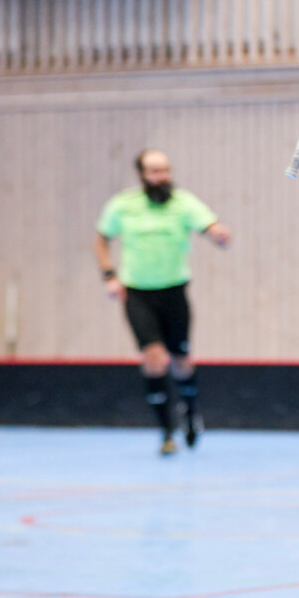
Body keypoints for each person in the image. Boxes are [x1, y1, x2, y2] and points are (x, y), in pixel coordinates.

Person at [95, 150, 231, 456]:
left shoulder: (182, 203)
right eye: (154, 171)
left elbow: (209, 224)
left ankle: (190, 413)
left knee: (181, 361)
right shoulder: (124, 205)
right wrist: (109, 275)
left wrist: (218, 234)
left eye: (165, 170)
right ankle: (166, 430)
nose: (161, 177)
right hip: (137, 294)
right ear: (142, 175)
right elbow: (101, 238)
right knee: (154, 358)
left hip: (174, 292)